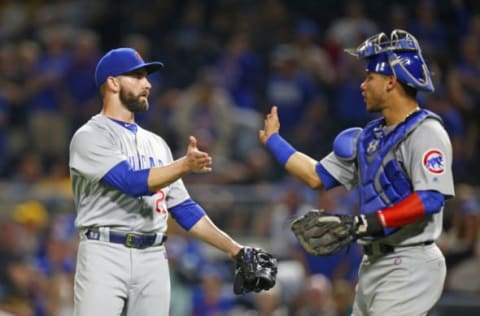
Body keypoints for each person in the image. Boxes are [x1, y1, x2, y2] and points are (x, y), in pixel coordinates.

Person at [260, 29, 455, 315]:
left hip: (411, 259)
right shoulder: (369, 136)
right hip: (373, 262)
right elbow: (317, 176)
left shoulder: (426, 132)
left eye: (369, 78)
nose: (362, 85)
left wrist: (367, 223)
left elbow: (429, 199)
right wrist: (275, 141)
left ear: (391, 82)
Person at [69, 47, 271, 316]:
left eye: (147, 77)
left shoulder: (156, 144)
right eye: (138, 76)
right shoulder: (90, 136)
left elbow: (184, 209)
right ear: (113, 82)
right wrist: (184, 165)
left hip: (153, 256)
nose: (148, 84)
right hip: (104, 252)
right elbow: (129, 182)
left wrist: (234, 249)